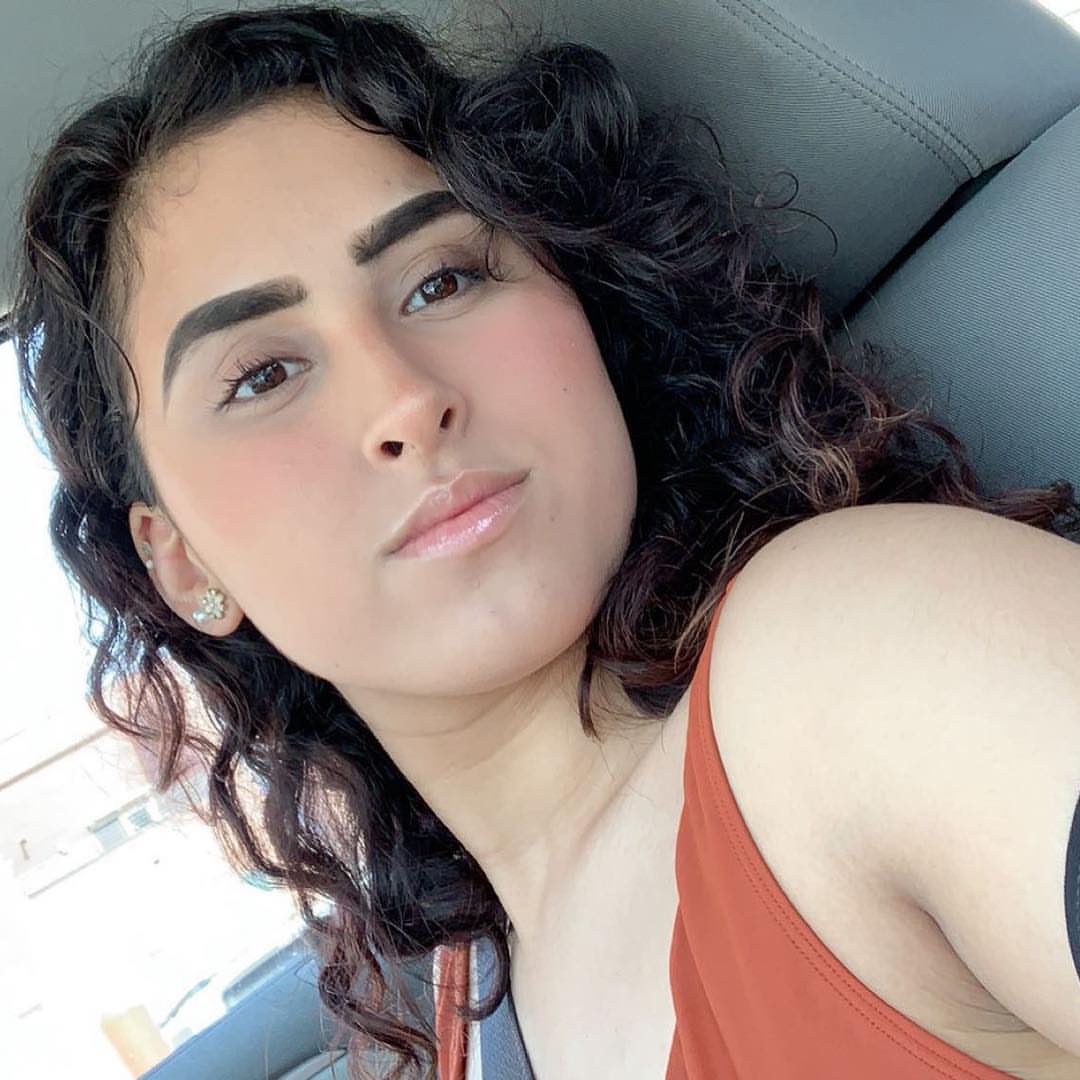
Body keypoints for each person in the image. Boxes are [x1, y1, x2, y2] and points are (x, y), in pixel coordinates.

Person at [7, 4, 1079, 1079]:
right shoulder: (459, 1011)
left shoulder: (860, 654)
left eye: (442, 280)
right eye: (264, 375)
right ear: (182, 561)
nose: (403, 400)